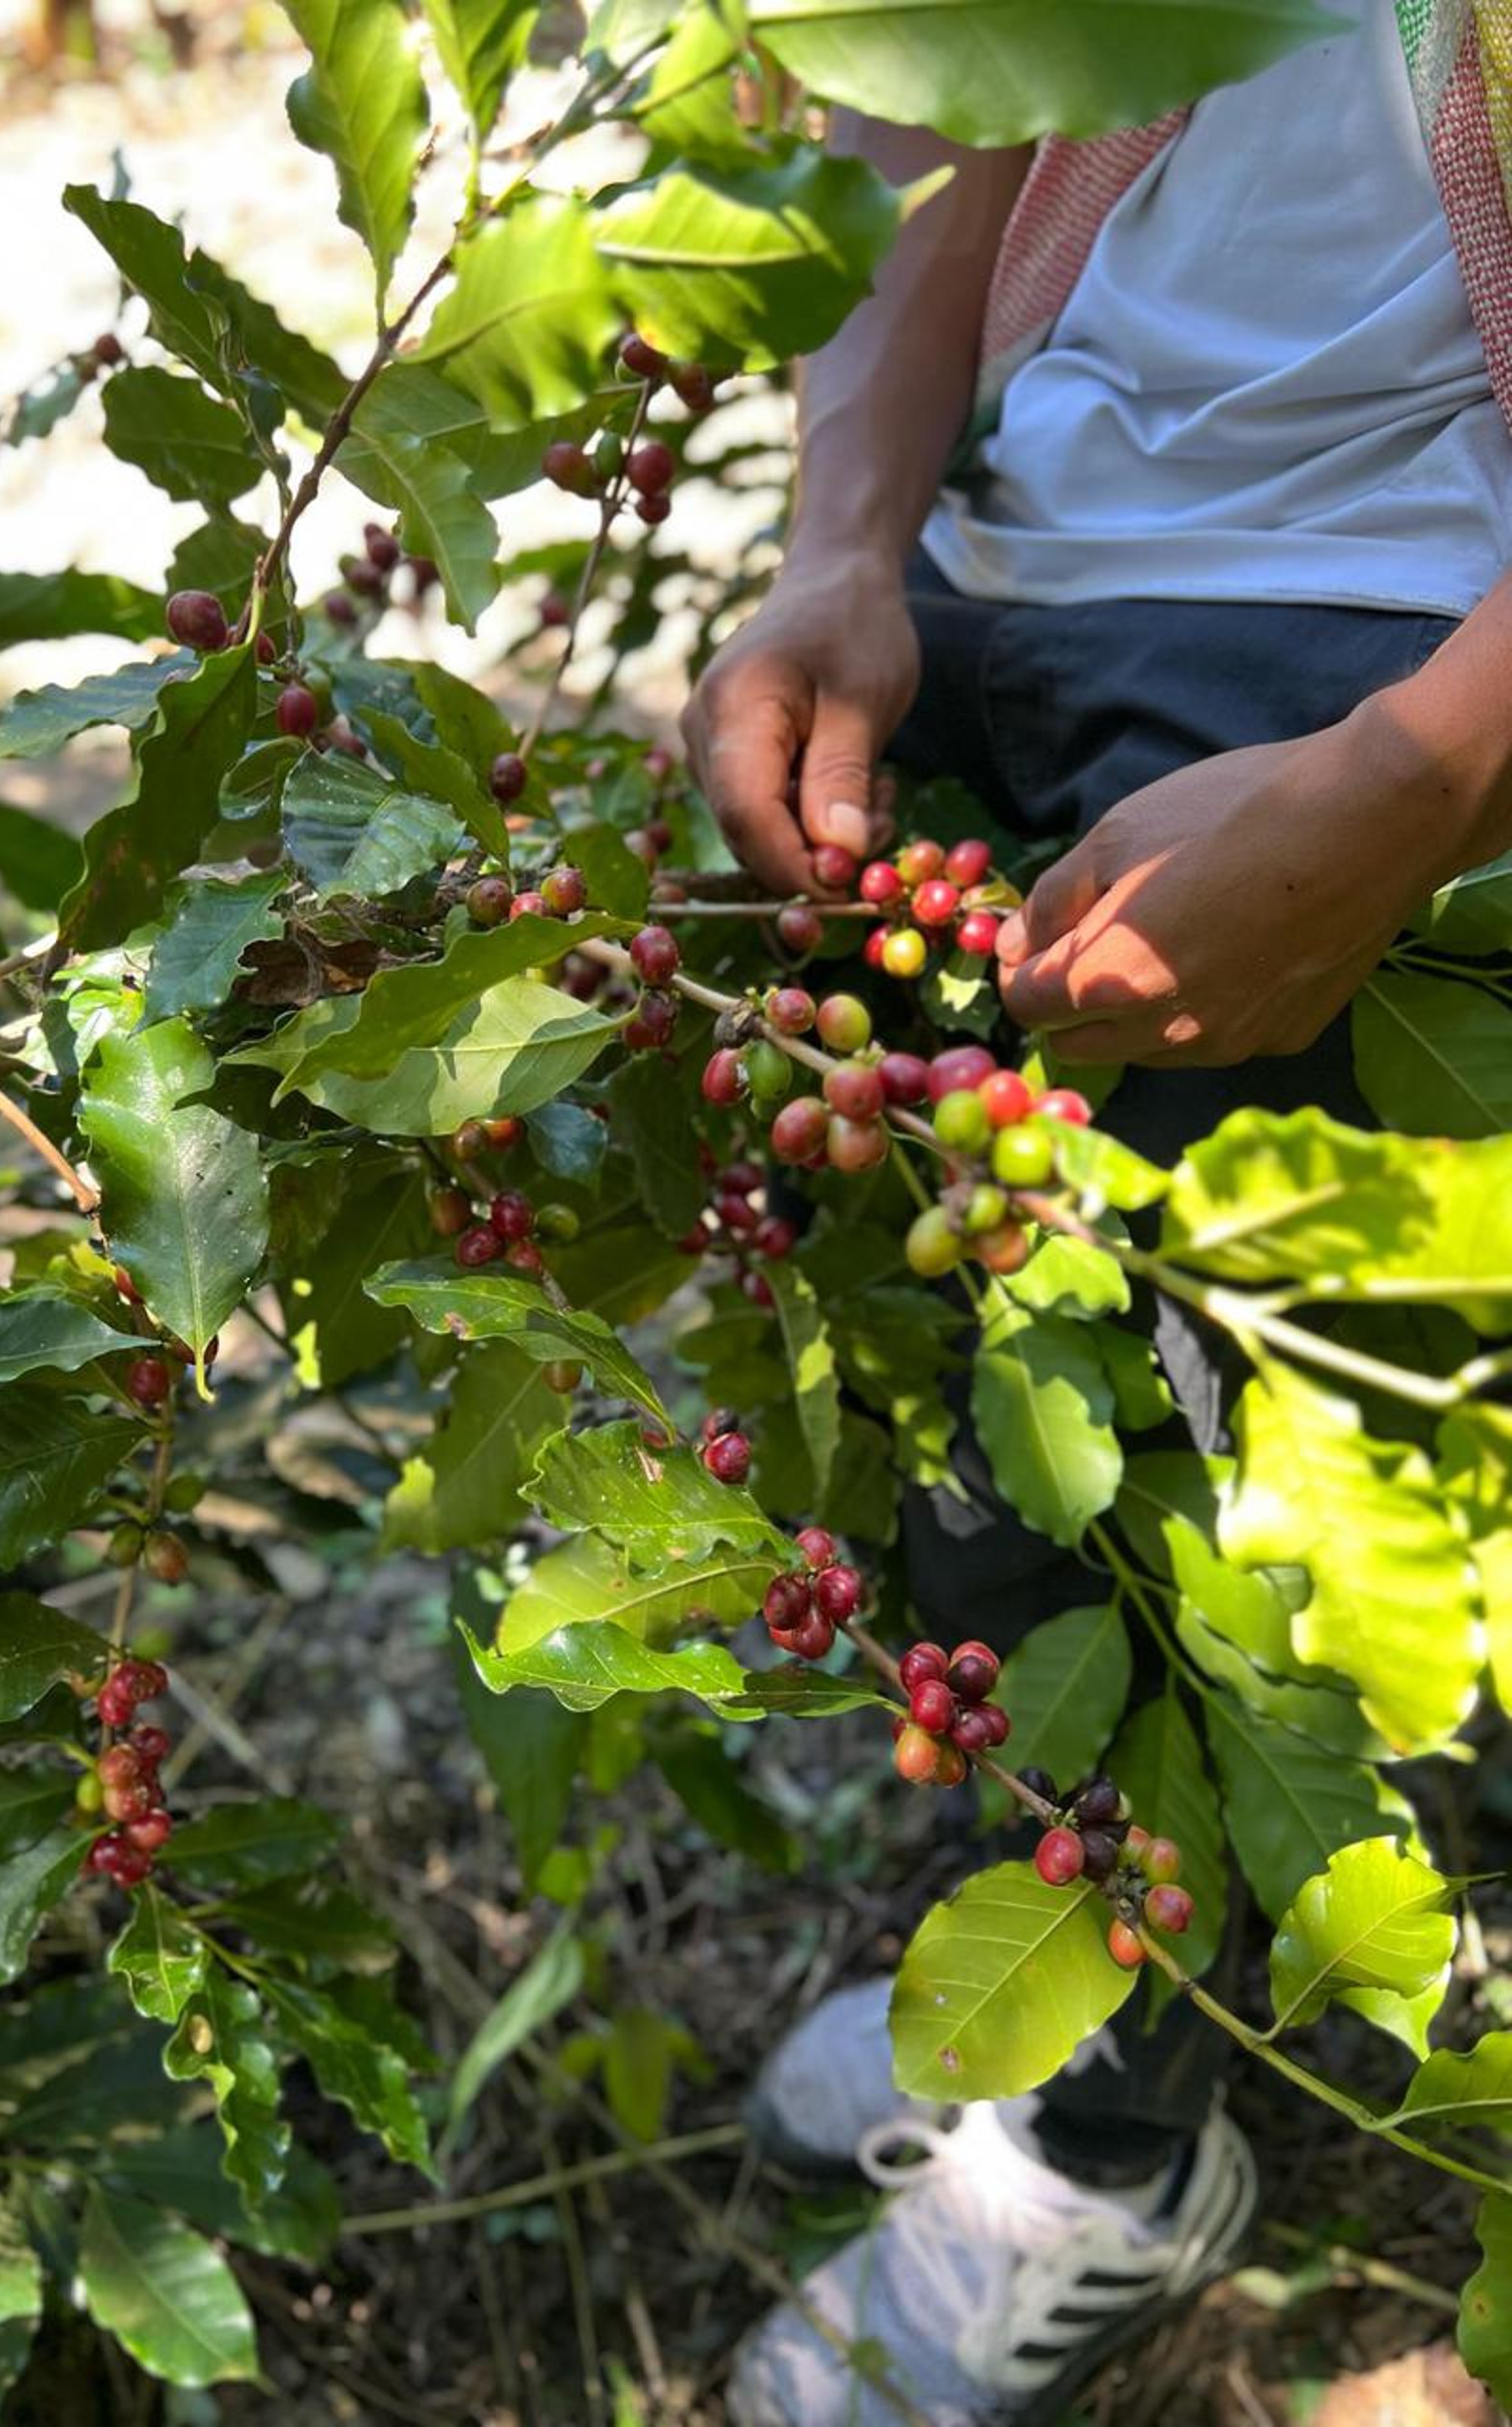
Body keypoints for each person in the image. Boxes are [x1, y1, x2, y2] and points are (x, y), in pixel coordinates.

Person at [682, 5, 1512, 2420]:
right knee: (974, 1415)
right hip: (1003, 577)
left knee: (1191, 1484)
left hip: (1380, 650)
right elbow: (941, 125)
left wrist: (1397, 786)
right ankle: (1058, 1958)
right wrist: (848, 540)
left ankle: (1126, 2148)